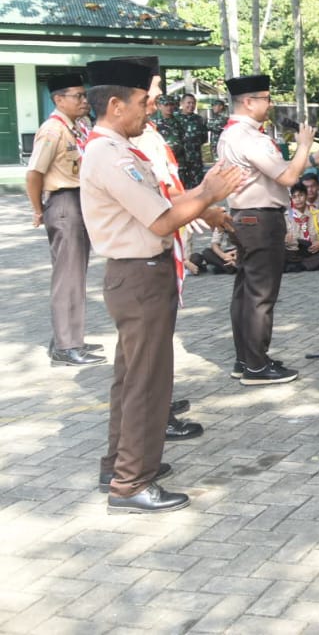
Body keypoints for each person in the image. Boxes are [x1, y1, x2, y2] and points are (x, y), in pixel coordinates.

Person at [80, 57, 244, 513]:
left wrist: (203, 199)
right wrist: (208, 193)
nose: (149, 109)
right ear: (116, 105)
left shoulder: (116, 150)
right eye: (142, 102)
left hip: (137, 276)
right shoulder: (110, 155)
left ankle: (118, 466)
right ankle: (131, 483)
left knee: (131, 378)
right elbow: (161, 220)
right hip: (139, 276)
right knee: (147, 384)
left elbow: (162, 205)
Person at [218, 73, 319, 385]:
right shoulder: (249, 137)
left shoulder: (232, 134)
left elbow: (274, 170)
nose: (270, 104)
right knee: (260, 294)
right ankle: (256, 366)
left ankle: (246, 359)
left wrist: (310, 158)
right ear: (248, 102)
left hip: (246, 217)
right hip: (260, 219)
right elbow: (287, 178)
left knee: (246, 291)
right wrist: (304, 144)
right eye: (266, 99)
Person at [26, 72, 103, 366]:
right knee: (67, 278)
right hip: (63, 203)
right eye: (78, 96)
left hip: (78, 201)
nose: (84, 101)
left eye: (85, 95)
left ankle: (69, 337)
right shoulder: (52, 130)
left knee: (76, 275)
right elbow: (34, 173)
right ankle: (65, 345)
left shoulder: (78, 127)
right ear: (59, 99)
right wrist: (38, 209)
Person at [283, 183, 319, 271]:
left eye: (301, 195)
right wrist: (284, 239)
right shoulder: (286, 216)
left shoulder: (317, 213)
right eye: (294, 197)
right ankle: (307, 264)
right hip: (293, 251)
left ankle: (301, 265)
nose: (298, 200)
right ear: (291, 199)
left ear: (306, 196)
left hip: (313, 250)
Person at [175, 93, 207, 190]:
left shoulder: (199, 119)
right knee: (181, 187)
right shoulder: (175, 118)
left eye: (193, 103)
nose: (191, 105)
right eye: (188, 103)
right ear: (182, 103)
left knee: (197, 188)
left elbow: (203, 138)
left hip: (195, 159)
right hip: (180, 160)